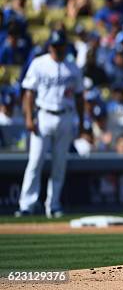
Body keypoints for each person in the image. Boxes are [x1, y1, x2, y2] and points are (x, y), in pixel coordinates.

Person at [15, 30, 84, 218]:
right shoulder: (39, 64)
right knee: (35, 161)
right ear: (50, 46)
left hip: (66, 115)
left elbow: (79, 96)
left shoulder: (73, 67)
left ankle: (53, 205)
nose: (58, 49)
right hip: (43, 115)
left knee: (59, 164)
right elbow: (29, 92)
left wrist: (82, 121)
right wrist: (28, 117)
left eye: (61, 46)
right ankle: (26, 205)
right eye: (55, 46)